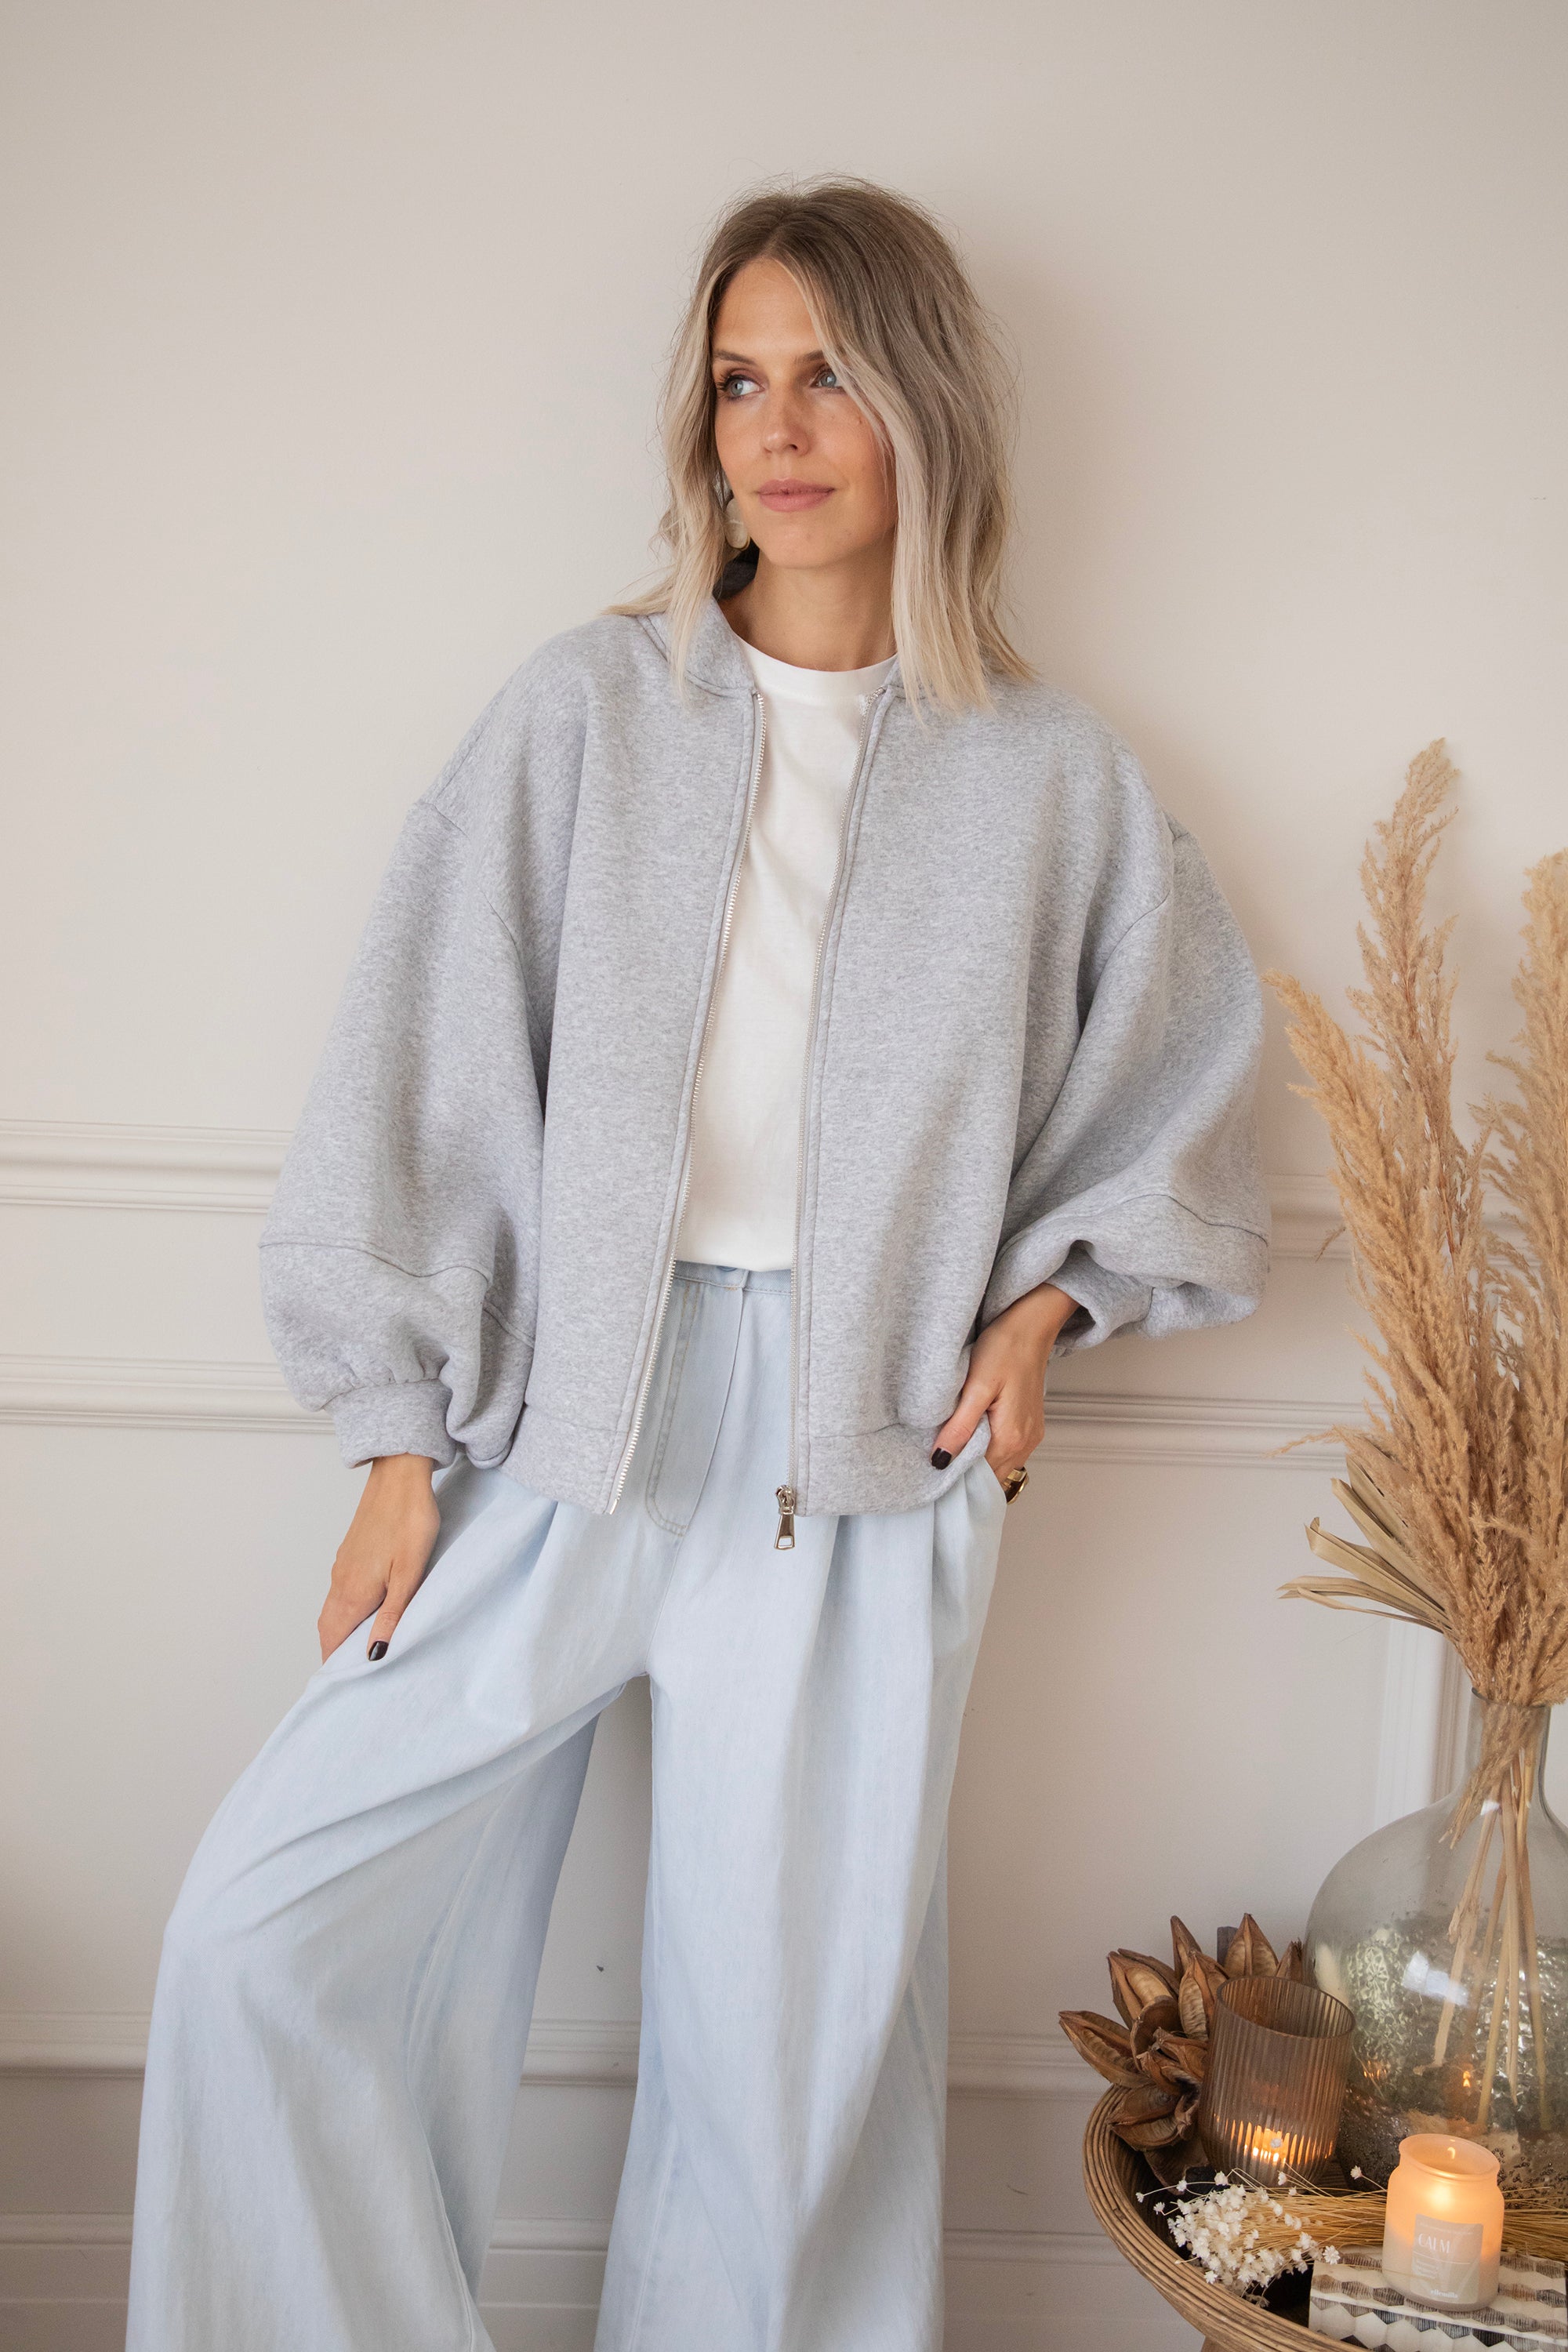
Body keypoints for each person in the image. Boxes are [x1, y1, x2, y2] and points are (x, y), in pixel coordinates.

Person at [125, 176, 1270, 2351]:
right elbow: (424, 1063)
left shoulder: (1050, 776)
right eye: (740, 381)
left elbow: (1183, 1083)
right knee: (263, 1939)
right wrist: (393, 1443)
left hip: (865, 1456)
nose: (778, 427)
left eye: (828, 374)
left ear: (925, 404)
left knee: (789, 2066)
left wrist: (1049, 1311)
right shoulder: (587, 710)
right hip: (563, 1425)